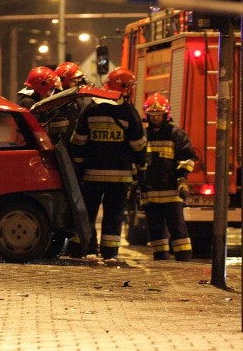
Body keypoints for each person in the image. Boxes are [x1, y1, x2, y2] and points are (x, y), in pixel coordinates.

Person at [69, 68, 147, 261]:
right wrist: (141, 168)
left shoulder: (91, 109)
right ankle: (109, 253)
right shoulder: (128, 112)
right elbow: (138, 144)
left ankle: (86, 249)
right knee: (114, 215)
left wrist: (78, 166)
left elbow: (78, 141)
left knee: (88, 213)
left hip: (91, 175)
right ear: (124, 88)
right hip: (120, 177)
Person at [140, 93, 194, 261]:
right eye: (153, 114)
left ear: (166, 115)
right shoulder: (143, 135)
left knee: (178, 228)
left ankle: (184, 259)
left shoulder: (176, 133)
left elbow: (186, 159)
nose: (156, 117)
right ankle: (161, 258)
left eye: (159, 114)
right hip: (149, 193)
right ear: (147, 115)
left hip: (172, 192)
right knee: (155, 230)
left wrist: (182, 181)